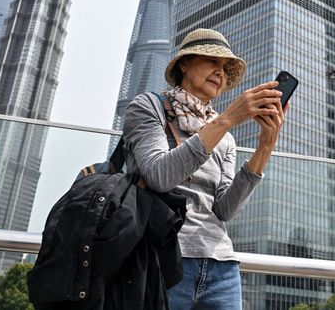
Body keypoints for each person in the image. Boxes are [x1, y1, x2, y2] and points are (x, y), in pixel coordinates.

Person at [123, 28, 287, 310]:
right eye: (212, 61)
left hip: (221, 267)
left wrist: (265, 147)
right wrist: (225, 121)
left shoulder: (226, 137)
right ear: (184, 63)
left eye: (225, 68)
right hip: (162, 258)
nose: (220, 72)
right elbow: (159, 176)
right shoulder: (149, 107)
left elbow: (224, 210)